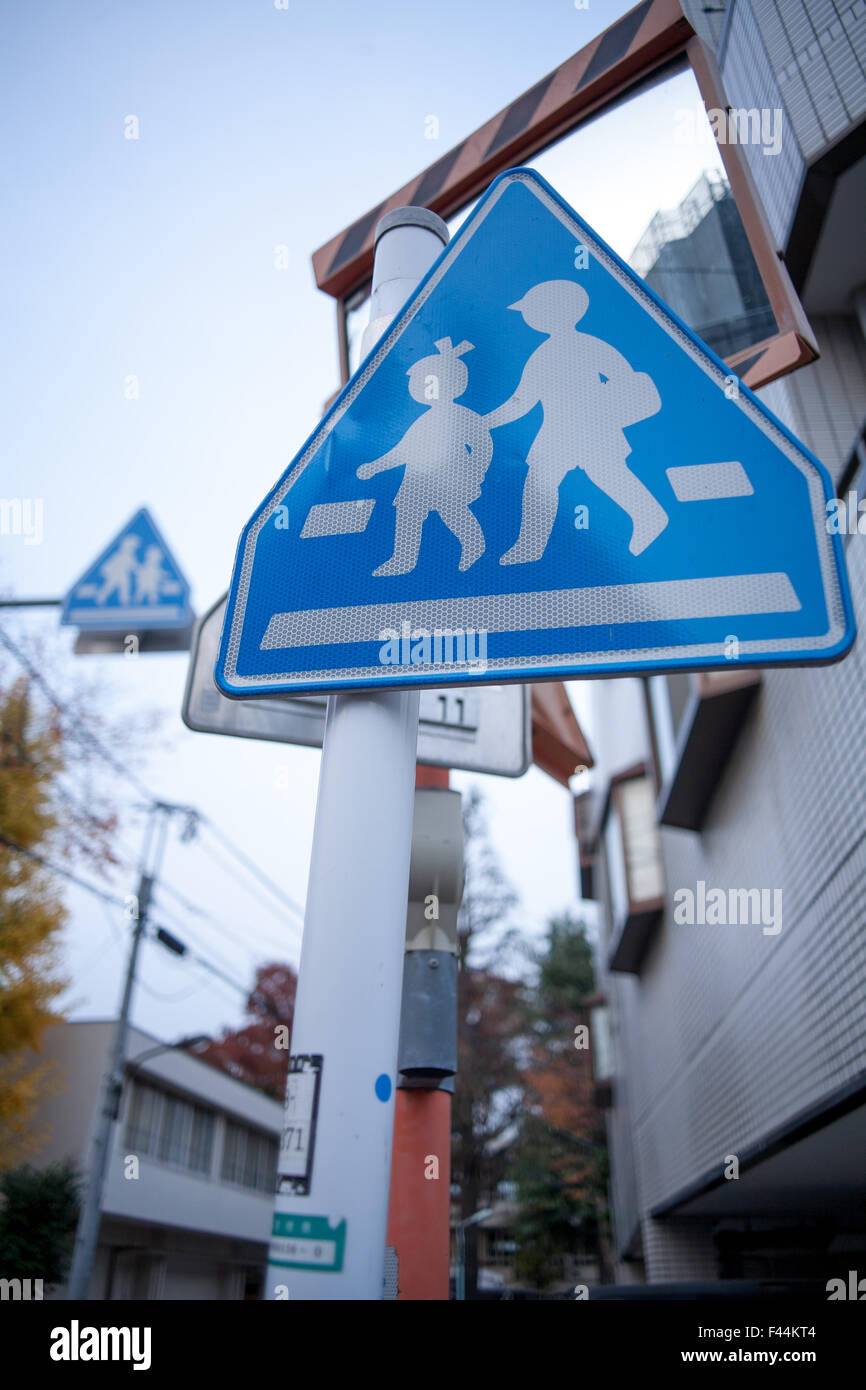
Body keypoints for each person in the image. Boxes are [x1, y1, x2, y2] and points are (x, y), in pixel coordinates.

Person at [484, 279, 667, 563]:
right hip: (558, 433)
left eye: (531, 311)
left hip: (591, 427)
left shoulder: (581, 348)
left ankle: (650, 516)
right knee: (542, 482)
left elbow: (625, 379)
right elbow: (521, 402)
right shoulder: (545, 355)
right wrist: (484, 423)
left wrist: (483, 423)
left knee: (600, 475)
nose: (528, 317)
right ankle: (530, 545)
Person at [357, 337, 493, 577]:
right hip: (417, 480)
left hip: (450, 477)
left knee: (453, 511)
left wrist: (475, 471)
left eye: (425, 381)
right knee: (407, 512)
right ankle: (403, 559)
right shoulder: (422, 422)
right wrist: (375, 466)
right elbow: (402, 451)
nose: (421, 387)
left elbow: (482, 445)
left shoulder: (463, 416)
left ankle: (474, 545)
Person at [96, 535, 139, 605]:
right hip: (116, 574)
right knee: (111, 586)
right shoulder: (122, 556)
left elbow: (134, 567)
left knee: (123, 586)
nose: (133, 549)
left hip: (121, 574)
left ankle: (124, 600)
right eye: (132, 547)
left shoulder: (128, 556)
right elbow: (133, 566)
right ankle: (101, 597)